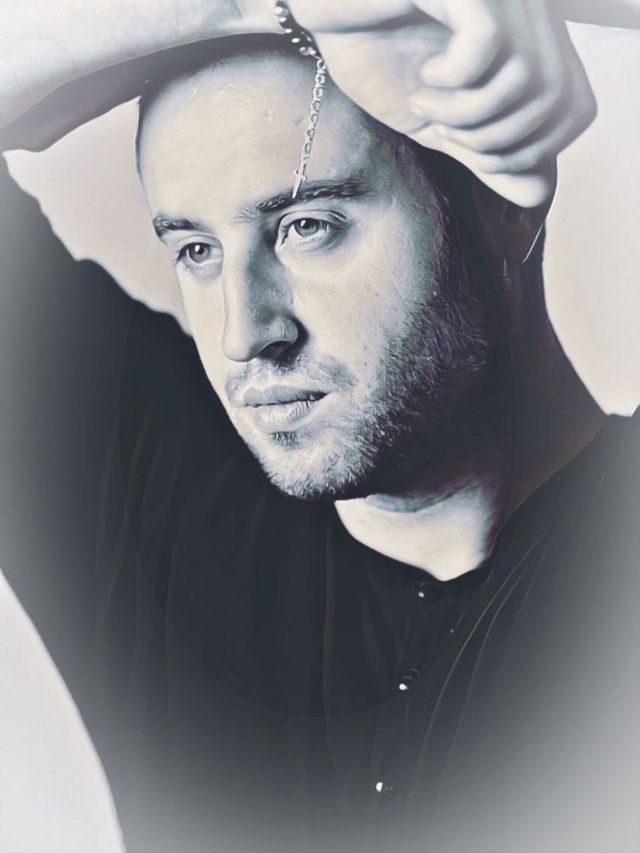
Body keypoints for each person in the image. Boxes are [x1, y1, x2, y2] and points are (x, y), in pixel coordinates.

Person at [0, 3, 637, 852]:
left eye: (308, 226)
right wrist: (292, 4)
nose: (245, 332)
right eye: (196, 250)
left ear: (503, 207)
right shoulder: (162, 497)